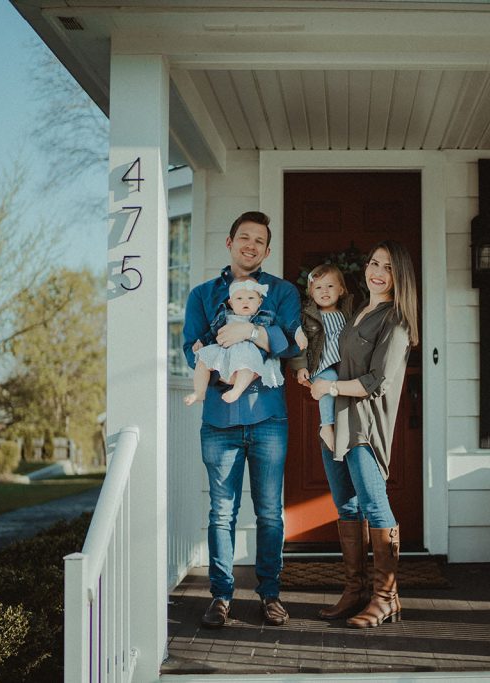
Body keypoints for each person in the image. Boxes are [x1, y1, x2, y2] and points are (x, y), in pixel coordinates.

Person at [182, 211, 302, 629]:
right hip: (218, 419)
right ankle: (221, 596)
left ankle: (270, 594)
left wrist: (249, 334)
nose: (250, 245)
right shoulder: (202, 295)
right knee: (221, 512)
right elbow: (189, 347)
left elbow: (286, 343)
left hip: (269, 417)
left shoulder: (283, 292)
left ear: (267, 251)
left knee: (270, 512)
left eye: (259, 241)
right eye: (244, 237)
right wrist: (222, 362)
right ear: (230, 242)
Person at [309, 240, 418, 629]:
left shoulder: (396, 321)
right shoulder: (356, 312)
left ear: (398, 276)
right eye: (374, 263)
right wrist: (325, 419)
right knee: (348, 508)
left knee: (375, 506)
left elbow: (378, 381)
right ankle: (355, 592)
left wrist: (331, 390)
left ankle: (386, 598)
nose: (377, 272)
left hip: (364, 428)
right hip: (336, 427)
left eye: (387, 267)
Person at [185, 276, 305, 405]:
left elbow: (287, 327)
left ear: (259, 302)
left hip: (249, 352)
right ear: (231, 303)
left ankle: (237, 390)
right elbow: (212, 333)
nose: (245, 302)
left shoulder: (267, 317)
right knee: (203, 360)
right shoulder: (223, 317)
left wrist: (298, 333)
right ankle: (199, 391)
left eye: (251, 298)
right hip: (225, 352)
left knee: (246, 364)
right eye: (239, 298)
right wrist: (201, 342)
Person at [288, 263, 354, 451]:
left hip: (341, 365)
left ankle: (344, 430)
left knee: (343, 389)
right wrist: (300, 367)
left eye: (330, 286)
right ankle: (326, 426)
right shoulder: (308, 317)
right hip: (320, 364)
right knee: (330, 380)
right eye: (318, 287)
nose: (324, 291)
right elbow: (300, 343)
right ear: (311, 293)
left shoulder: (346, 314)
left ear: (341, 289)